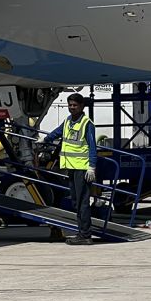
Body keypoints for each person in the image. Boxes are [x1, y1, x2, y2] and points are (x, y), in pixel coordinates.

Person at [42, 93, 96, 245]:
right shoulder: (68, 121)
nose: (72, 108)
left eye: (75, 105)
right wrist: (45, 140)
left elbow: (92, 147)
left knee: (82, 202)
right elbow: (58, 132)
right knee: (75, 201)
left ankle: (85, 235)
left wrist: (91, 167)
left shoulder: (87, 123)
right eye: (70, 105)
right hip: (71, 168)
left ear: (82, 106)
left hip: (82, 169)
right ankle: (82, 233)